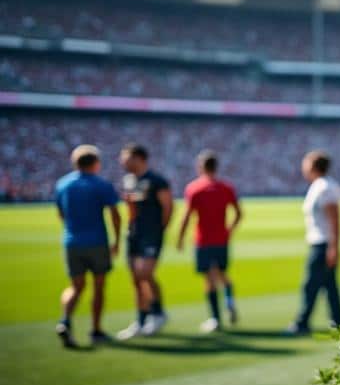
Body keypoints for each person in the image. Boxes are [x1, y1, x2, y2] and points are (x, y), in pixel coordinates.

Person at [54, 145, 121, 348]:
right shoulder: (101, 184)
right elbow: (115, 215)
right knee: (98, 286)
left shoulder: (63, 184)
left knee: (76, 286)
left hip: (72, 242)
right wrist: (117, 241)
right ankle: (96, 329)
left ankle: (65, 319)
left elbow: (61, 214)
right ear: (95, 163)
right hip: (97, 242)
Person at [175, 150, 242, 333]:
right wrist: (230, 230)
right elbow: (238, 214)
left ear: (200, 167)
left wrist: (180, 238)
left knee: (209, 279)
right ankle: (229, 300)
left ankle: (215, 318)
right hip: (222, 238)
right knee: (222, 274)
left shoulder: (195, 188)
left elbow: (187, 217)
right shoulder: (226, 187)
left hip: (203, 240)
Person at [118, 143, 172, 339]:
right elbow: (131, 209)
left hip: (151, 235)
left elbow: (167, 207)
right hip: (133, 234)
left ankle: (158, 312)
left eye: (125, 157)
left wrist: (160, 230)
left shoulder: (157, 181)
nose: (121, 161)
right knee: (136, 278)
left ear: (139, 158)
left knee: (145, 273)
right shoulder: (128, 180)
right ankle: (141, 320)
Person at [289, 150, 340, 335]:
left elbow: (334, 219)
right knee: (329, 285)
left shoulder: (324, 187)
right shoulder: (321, 185)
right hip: (323, 242)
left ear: (313, 166)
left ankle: (302, 322)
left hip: (322, 243)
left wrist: (333, 248)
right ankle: (338, 321)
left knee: (310, 285)